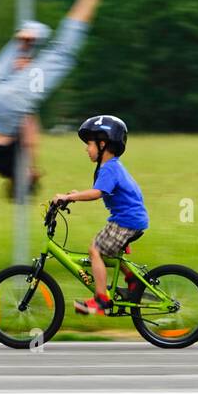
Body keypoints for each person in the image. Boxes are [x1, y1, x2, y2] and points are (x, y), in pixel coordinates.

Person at [0, 0, 118, 194]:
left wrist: (26, 95)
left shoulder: (23, 163)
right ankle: (27, 39)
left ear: (28, 179)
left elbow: (28, 128)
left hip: (9, 107)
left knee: (62, 53)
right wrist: (21, 76)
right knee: (22, 48)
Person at [53, 115, 150, 315]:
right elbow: (98, 189)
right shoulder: (112, 167)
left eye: (89, 143)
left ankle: (101, 299)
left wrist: (70, 198)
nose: (86, 149)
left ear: (103, 144)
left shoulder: (109, 168)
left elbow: (97, 193)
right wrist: (74, 195)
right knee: (110, 252)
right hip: (131, 219)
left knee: (95, 249)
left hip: (126, 221)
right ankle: (132, 281)